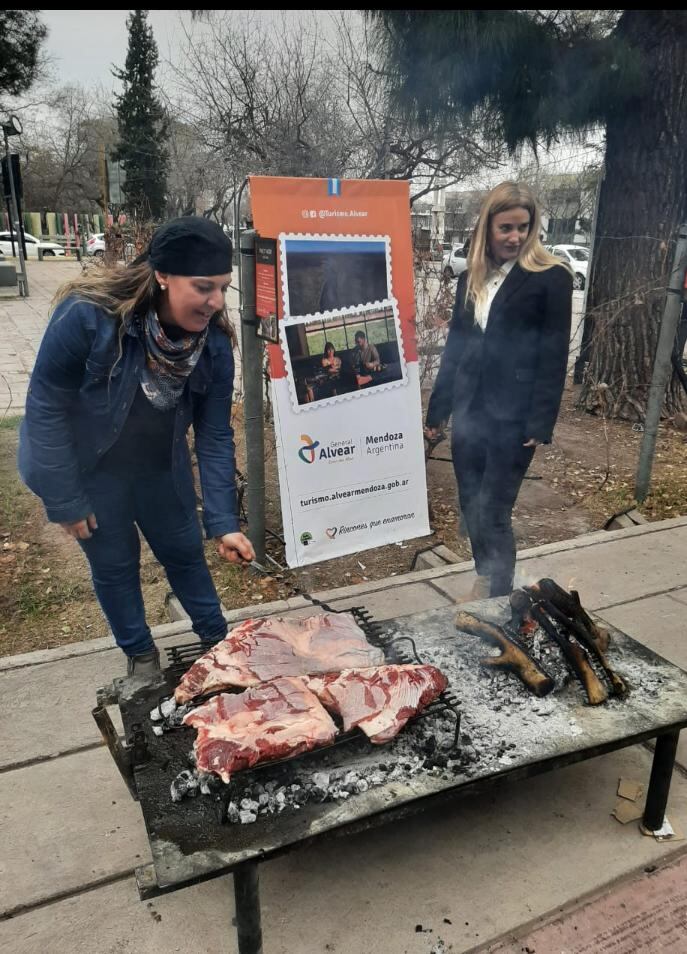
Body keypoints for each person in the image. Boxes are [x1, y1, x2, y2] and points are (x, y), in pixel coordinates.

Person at [18, 216, 256, 678]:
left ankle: (218, 642)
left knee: (185, 550)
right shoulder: (89, 318)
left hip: (157, 465)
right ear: (163, 275)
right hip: (89, 465)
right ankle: (141, 658)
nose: (217, 302)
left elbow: (213, 435)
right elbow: (45, 408)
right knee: (114, 563)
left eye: (224, 288)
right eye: (204, 287)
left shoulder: (214, 347)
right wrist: (65, 498)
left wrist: (225, 521)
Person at [424, 182, 572, 600]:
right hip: (471, 411)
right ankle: (485, 573)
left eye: (523, 227)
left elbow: (553, 355)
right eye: (506, 227)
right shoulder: (470, 277)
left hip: (515, 418)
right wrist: (439, 410)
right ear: (487, 227)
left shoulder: (550, 278)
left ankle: (499, 596)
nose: (515, 237)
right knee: (471, 504)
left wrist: (540, 422)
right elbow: (457, 347)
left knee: (494, 509)